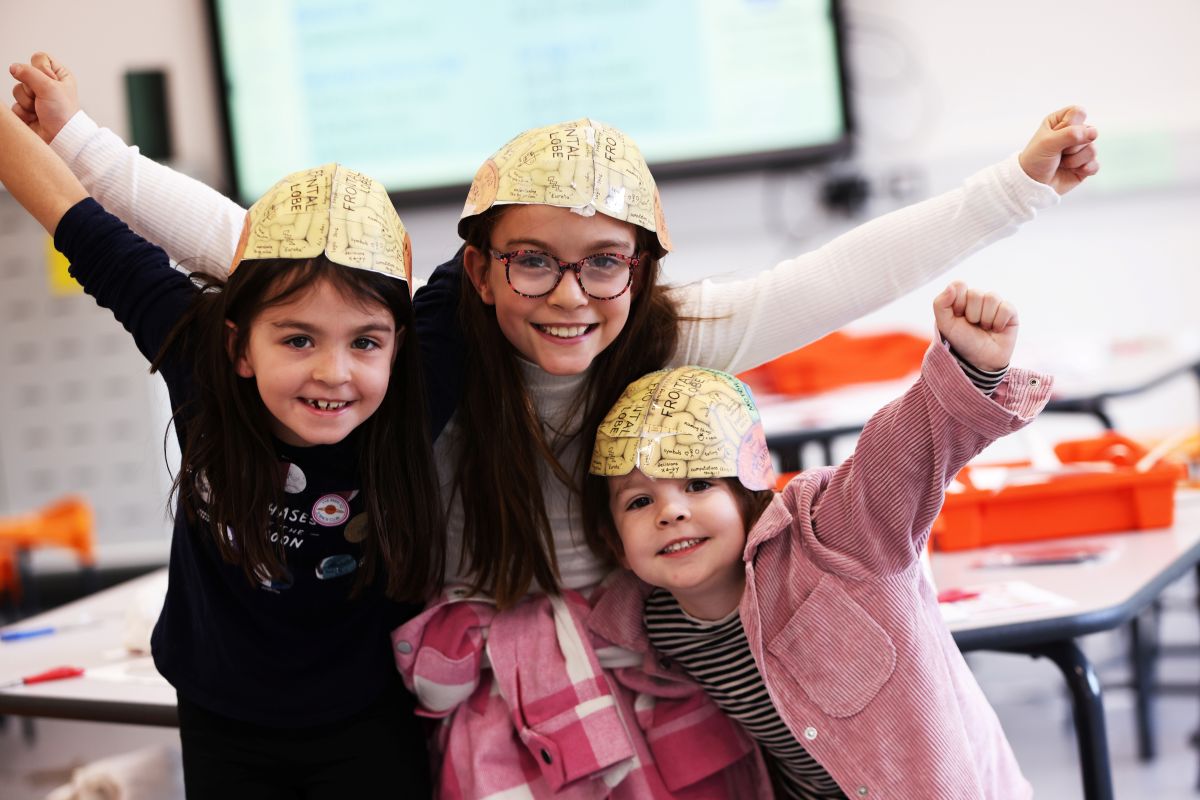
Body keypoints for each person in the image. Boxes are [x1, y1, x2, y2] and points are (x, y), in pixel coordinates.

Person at [11, 52, 1096, 793]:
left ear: (641, 267)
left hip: (638, 647)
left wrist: (1015, 188)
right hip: (463, 666)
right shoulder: (426, 341)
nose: (569, 295)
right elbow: (244, 244)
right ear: (479, 269)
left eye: (603, 263)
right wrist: (82, 141)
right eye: (533, 260)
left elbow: (836, 277)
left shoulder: (668, 330)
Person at [0, 107, 441, 797]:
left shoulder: (420, 376)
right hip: (221, 716)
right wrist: (66, 135)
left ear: (398, 344)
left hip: (369, 715)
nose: (335, 372)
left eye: (365, 342)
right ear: (238, 346)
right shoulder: (200, 355)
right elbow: (71, 218)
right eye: (298, 339)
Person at [582, 282, 1050, 799]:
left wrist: (966, 369)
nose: (670, 511)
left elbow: (896, 460)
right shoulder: (653, 627)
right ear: (616, 541)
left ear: (750, 496)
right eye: (639, 501)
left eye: (698, 483)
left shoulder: (833, 540)